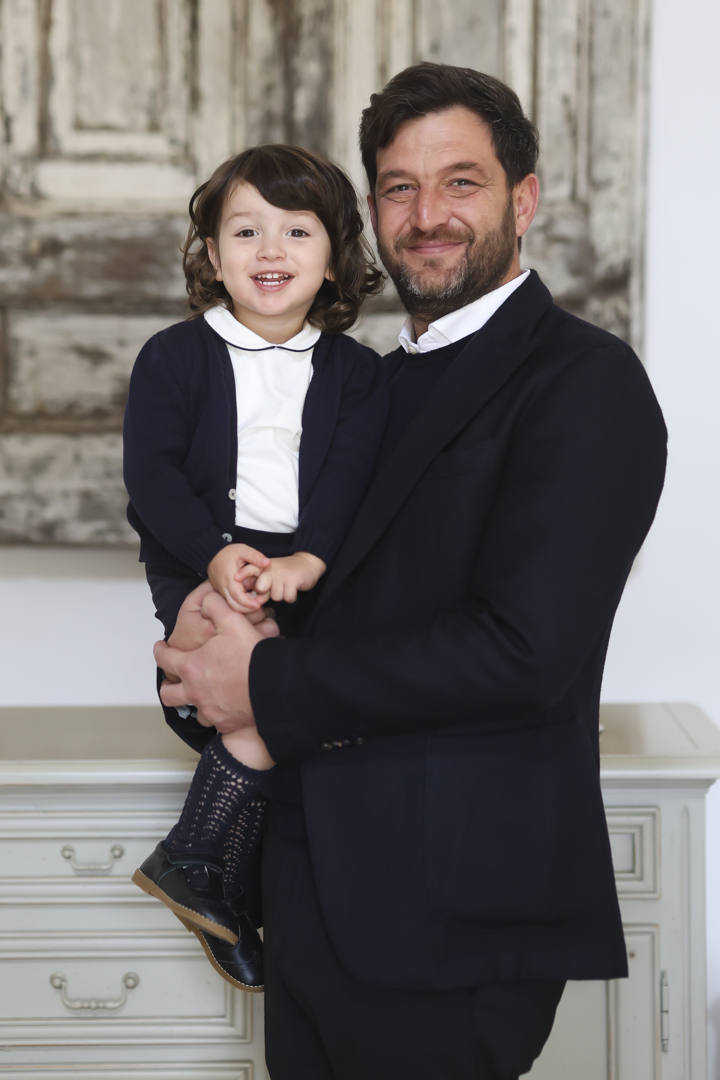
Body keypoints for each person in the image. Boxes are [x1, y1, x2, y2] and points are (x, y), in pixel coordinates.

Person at [155, 63, 668, 1080]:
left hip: (451, 917)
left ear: (524, 199)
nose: (428, 216)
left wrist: (262, 681)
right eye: (399, 187)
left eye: (461, 182)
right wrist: (207, 648)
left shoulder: (586, 382)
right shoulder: (356, 388)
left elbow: (521, 652)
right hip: (306, 889)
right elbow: (291, 594)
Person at [122, 144, 387, 991]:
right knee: (251, 686)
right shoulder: (173, 356)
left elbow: (348, 476)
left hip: (305, 569)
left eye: (297, 232)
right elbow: (151, 476)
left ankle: (208, 873)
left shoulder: (357, 374)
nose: (271, 250)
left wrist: (307, 558)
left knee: (290, 707)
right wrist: (213, 554)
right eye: (246, 232)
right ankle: (200, 863)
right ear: (212, 254)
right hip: (198, 556)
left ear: (335, 258)